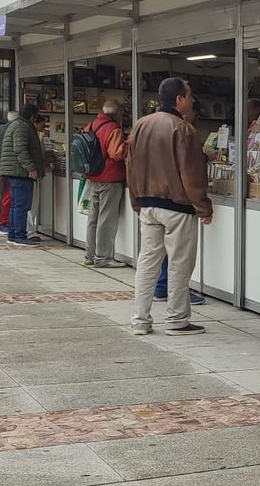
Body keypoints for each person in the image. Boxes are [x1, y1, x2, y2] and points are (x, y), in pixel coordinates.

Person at [128, 77, 212, 336]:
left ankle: (140, 319)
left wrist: (136, 201)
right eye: (189, 95)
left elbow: (130, 165)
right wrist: (203, 207)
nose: (191, 100)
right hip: (177, 206)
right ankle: (177, 319)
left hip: (148, 204)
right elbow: (191, 173)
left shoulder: (141, 124)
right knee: (180, 263)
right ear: (179, 99)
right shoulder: (183, 128)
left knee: (147, 262)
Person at [83, 100, 128, 268]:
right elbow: (116, 154)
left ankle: (89, 254)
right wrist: (128, 144)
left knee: (93, 218)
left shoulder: (91, 125)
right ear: (117, 114)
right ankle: (103, 258)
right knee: (106, 220)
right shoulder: (113, 129)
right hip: (110, 179)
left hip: (93, 177)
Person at [0, 103, 48, 246]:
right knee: (22, 205)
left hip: (15, 171)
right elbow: (20, 149)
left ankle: (13, 234)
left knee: (16, 205)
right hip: (20, 172)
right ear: (33, 116)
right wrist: (31, 168)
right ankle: (19, 235)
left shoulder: (17, 125)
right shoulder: (22, 127)